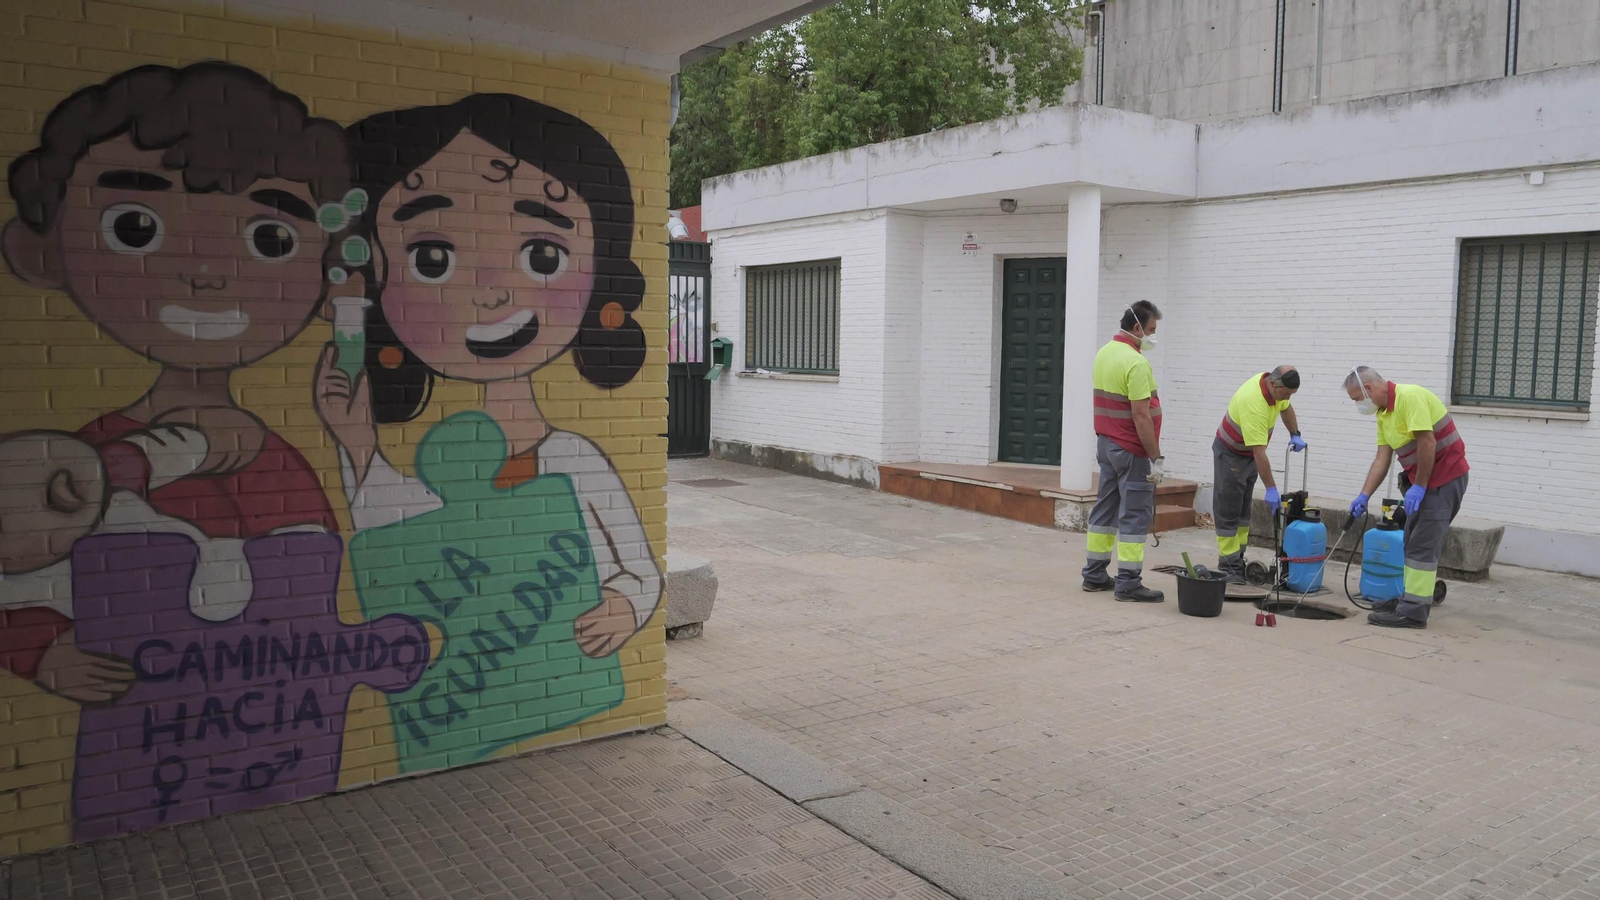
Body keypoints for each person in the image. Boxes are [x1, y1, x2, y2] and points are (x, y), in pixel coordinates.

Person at [0, 63, 348, 701]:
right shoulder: (74, 468)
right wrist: (44, 652)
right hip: (141, 723)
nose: (207, 272)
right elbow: (17, 576)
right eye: (135, 227)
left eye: (271, 238)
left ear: (329, 282)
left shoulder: (277, 465)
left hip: (271, 712)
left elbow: (311, 590)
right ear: (42, 251)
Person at [315, 94, 663, 660]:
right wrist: (354, 442)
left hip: (565, 669)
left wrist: (624, 604)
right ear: (376, 280)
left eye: (542, 255)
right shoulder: (440, 469)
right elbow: (387, 549)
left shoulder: (574, 459)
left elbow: (639, 569)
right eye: (432, 259)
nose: (492, 292)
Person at [1344, 367, 1470, 629]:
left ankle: (1413, 613)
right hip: (1423, 483)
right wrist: (1364, 495)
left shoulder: (1409, 398)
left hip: (1444, 479)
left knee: (1423, 546)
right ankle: (1409, 598)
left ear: (1369, 389)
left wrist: (1420, 486)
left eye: (1356, 399)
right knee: (1411, 540)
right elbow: (1382, 459)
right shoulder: (1384, 414)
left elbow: (1427, 442)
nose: (1358, 405)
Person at [1083, 302, 1165, 602]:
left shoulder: (1104, 353)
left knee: (1104, 510)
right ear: (1137, 328)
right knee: (1134, 515)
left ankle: (1094, 574)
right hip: (1131, 449)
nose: (1153, 336)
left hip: (1107, 444)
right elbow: (1141, 415)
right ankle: (1128, 582)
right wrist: (1155, 457)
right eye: (1151, 330)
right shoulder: (1136, 362)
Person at [1212, 366, 1306, 584]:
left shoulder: (1276, 389)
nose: (1287, 398)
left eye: (1291, 394)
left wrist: (1295, 434)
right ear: (1273, 384)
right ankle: (1228, 566)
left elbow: (1286, 408)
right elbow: (1259, 453)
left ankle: (1238, 559)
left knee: (1243, 510)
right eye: (1286, 393)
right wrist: (1271, 488)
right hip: (1231, 454)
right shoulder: (1254, 403)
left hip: (1248, 455)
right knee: (1229, 509)